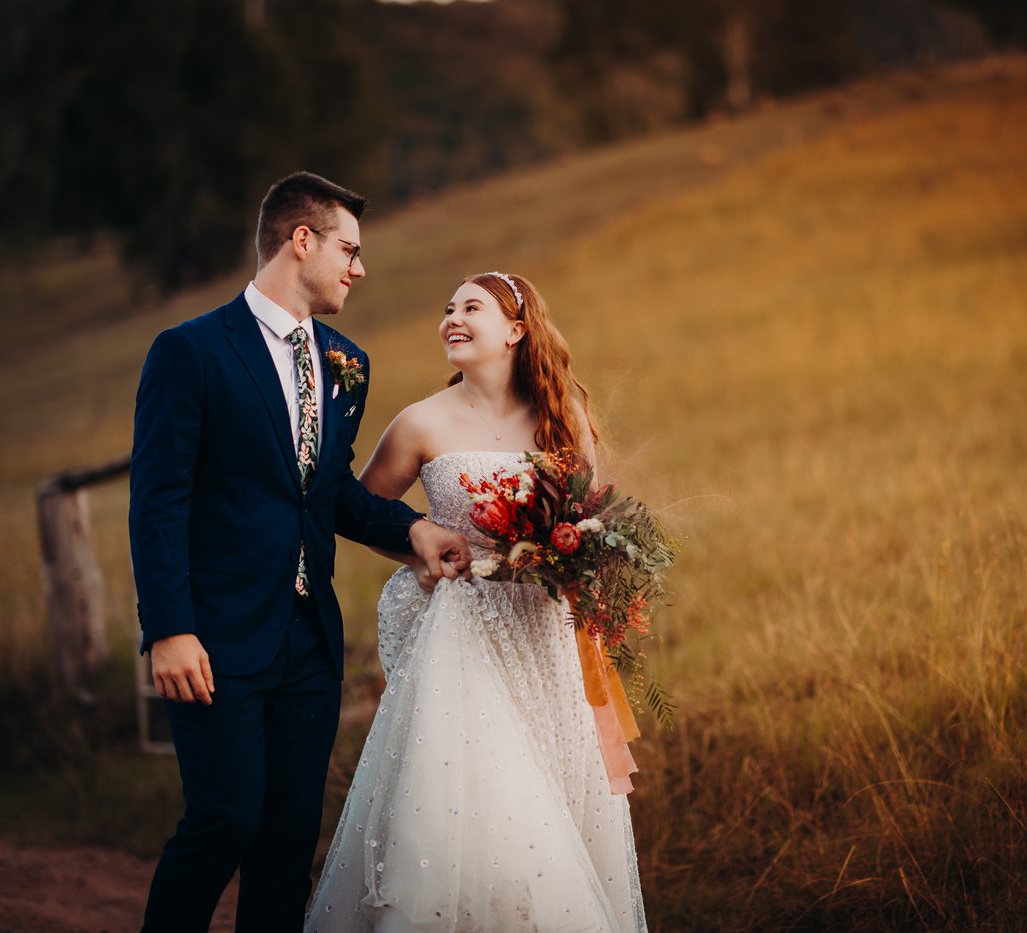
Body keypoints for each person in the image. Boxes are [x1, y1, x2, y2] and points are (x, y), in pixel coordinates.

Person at [129, 171, 471, 932]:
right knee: (226, 818)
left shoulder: (347, 361)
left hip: (309, 641)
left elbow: (327, 490)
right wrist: (168, 627)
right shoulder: (189, 352)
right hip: (214, 636)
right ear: (301, 239)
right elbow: (158, 502)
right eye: (348, 249)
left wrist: (410, 529)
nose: (359, 267)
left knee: (287, 842)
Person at [305, 272, 647, 932]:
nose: (451, 318)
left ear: (516, 330)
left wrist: (579, 560)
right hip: (460, 641)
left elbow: (589, 516)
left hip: (544, 637)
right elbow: (362, 511)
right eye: (447, 309)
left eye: (471, 307)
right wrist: (419, 546)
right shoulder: (421, 421)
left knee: (551, 797)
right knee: (487, 803)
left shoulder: (561, 416)